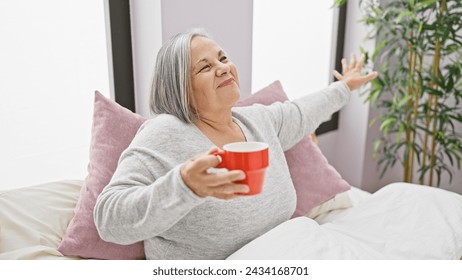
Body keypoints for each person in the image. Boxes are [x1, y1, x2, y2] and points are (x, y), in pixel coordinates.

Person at [93, 28, 378, 260]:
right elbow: (108, 219)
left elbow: (304, 111)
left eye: (223, 58)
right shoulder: (164, 133)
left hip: (289, 252)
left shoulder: (257, 120)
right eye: (204, 67)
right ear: (180, 88)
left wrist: (345, 87)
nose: (222, 68)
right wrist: (183, 186)